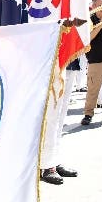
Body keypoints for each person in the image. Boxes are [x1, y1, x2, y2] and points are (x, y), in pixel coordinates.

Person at [40, 56, 81, 185]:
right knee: (51, 114)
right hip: (50, 60)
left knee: (60, 114)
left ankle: (54, 159)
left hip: (68, 59)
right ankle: (46, 164)